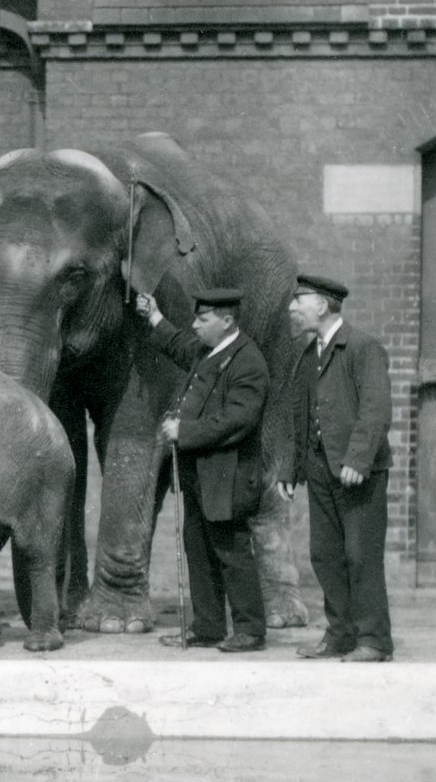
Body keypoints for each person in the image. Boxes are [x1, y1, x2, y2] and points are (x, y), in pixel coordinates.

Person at [136, 287, 268, 653]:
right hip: (200, 473)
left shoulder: (248, 361)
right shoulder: (209, 350)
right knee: (198, 546)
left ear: (227, 322)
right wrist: (154, 316)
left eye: (202, 319)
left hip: (229, 475)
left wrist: (185, 431)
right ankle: (208, 626)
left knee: (232, 550)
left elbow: (238, 419)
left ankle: (250, 630)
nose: (194, 325)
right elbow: (178, 344)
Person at [278, 274, 394, 663]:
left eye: (300, 300)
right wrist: (289, 471)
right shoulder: (308, 354)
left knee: (361, 556)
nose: (293, 308)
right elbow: (297, 415)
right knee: (325, 555)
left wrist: (358, 460)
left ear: (323, 305)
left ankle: (374, 641)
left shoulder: (363, 348)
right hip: (321, 472)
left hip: (357, 475)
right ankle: (341, 635)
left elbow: (375, 410)